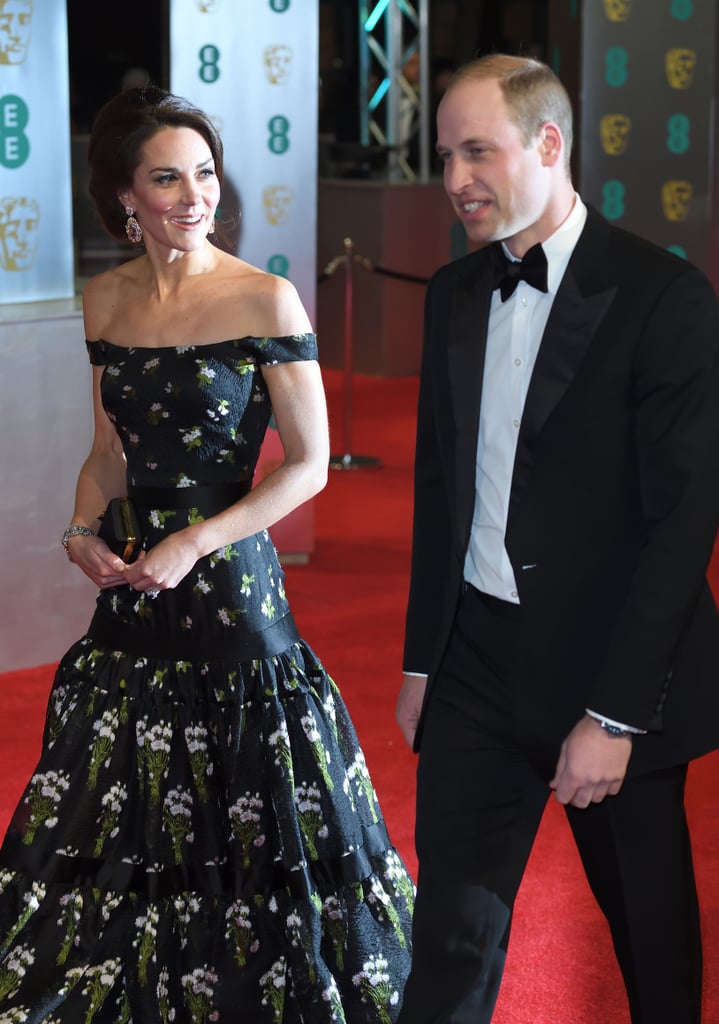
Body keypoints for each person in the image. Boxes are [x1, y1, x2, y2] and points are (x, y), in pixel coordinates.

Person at [0, 85, 413, 1022]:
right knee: (125, 783)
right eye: (166, 178)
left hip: (229, 579)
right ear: (124, 200)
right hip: (137, 586)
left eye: (204, 174)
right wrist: (77, 533)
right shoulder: (102, 300)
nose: (193, 195)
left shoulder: (262, 295)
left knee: (252, 780)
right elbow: (109, 453)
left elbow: (308, 467)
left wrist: (195, 540)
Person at [395, 53, 719, 1024]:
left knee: (646, 936)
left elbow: (681, 527)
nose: (455, 181)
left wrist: (615, 715)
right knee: (448, 931)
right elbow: (437, 492)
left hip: (607, 668)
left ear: (547, 144)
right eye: (445, 156)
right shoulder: (451, 293)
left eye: (477, 152)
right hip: (473, 667)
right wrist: (420, 658)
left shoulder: (663, 297)